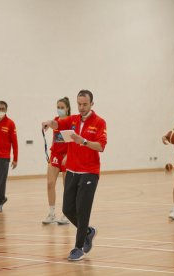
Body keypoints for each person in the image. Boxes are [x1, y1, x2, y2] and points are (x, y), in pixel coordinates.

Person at [42, 90, 107, 261]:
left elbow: (100, 146)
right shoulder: (73, 120)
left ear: (92, 104)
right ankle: (88, 231)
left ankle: (78, 248)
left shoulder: (100, 122)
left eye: (85, 104)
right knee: (67, 209)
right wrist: (50, 123)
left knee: (82, 210)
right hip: (72, 171)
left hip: (89, 173)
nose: (81, 107)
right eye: (79, 104)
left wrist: (83, 141)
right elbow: (59, 124)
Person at [42, 97, 71, 225]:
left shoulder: (71, 121)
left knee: (67, 187)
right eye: (58, 107)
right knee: (50, 183)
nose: (59, 110)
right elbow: (54, 124)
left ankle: (66, 214)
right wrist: (48, 123)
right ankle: (51, 213)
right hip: (55, 155)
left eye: (62, 107)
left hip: (67, 156)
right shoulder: (56, 120)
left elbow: (72, 140)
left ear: (67, 108)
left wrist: (68, 155)